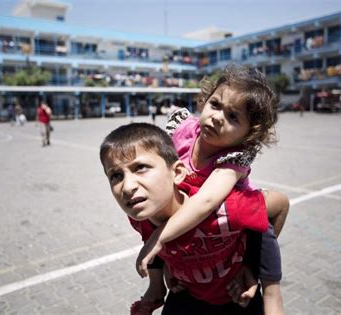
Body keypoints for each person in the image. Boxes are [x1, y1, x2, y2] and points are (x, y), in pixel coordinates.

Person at [137, 64, 289, 313]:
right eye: (215, 104)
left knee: (263, 232)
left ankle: (268, 289)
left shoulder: (234, 158)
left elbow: (207, 201)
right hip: (196, 237)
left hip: (232, 221)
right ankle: (155, 287)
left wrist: (160, 238)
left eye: (233, 117)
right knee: (148, 203)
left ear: (248, 134)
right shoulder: (182, 131)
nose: (217, 117)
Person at [100, 123, 282, 314]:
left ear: (177, 173)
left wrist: (252, 268)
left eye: (141, 167)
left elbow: (279, 206)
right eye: (116, 176)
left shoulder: (223, 210)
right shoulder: (139, 217)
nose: (127, 187)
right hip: (187, 295)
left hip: (237, 298)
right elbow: (150, 242)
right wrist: (157, 285)